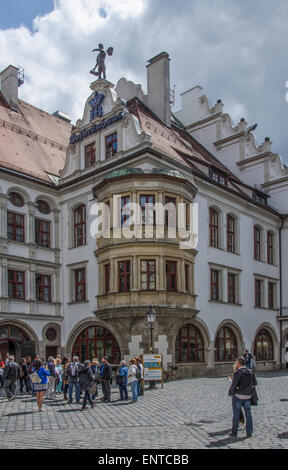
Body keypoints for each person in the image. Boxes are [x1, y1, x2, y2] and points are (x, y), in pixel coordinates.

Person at [228, 356, 257, 438]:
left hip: (238, 396)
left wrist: (231, 391)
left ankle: (234, 432)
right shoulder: (250, 371)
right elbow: (254, 382)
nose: (235, 363)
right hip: (248, 396)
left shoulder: (238, 372)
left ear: (239, 363)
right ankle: (249, 432)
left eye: (236, 361)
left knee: (236, 414)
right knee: (248, 414)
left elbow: (234, 384)